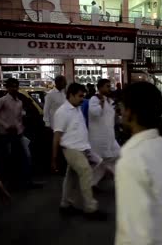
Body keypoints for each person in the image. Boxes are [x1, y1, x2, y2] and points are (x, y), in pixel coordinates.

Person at [115, 82, 162, 245]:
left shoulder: (132, 158)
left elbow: (134, 232)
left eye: (121, 108)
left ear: (130, 113)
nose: (120, 114)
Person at [52, 83, 106, 220]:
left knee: (71, 177)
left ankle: (65, 204)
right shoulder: (62, 112)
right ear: (71, 95)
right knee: (86, 172)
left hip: (82, 149)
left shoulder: (76, 108)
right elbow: (57, 136)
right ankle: (90, 208)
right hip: (71, 149)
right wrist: (54, 158)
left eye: (83, 96)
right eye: (80, 96)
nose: (82, 99)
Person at [0, 78, 38, 188]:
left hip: (18, 133)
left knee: (24, 157)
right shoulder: (2, 100)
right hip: (6, 134)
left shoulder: (19, 102)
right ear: (7, 88)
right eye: (11, 86)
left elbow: (19, 118)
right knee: (8, 159)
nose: (14, 88)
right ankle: (10, 183)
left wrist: (21, 127)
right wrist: (6, 126)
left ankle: (26, 182)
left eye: (15, 86)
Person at [89, 79, 120, 186]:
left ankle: (92, 183)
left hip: (109, 136)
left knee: (112, 158)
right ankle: (120, 181)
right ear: (100, 87)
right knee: (106, 160)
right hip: (99, 138)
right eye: (107, 86)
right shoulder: (94, 99)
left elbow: (111, 117)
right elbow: (95, 113)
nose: (109, 88)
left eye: (109, 86)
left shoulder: (108, 100)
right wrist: (101, 103)